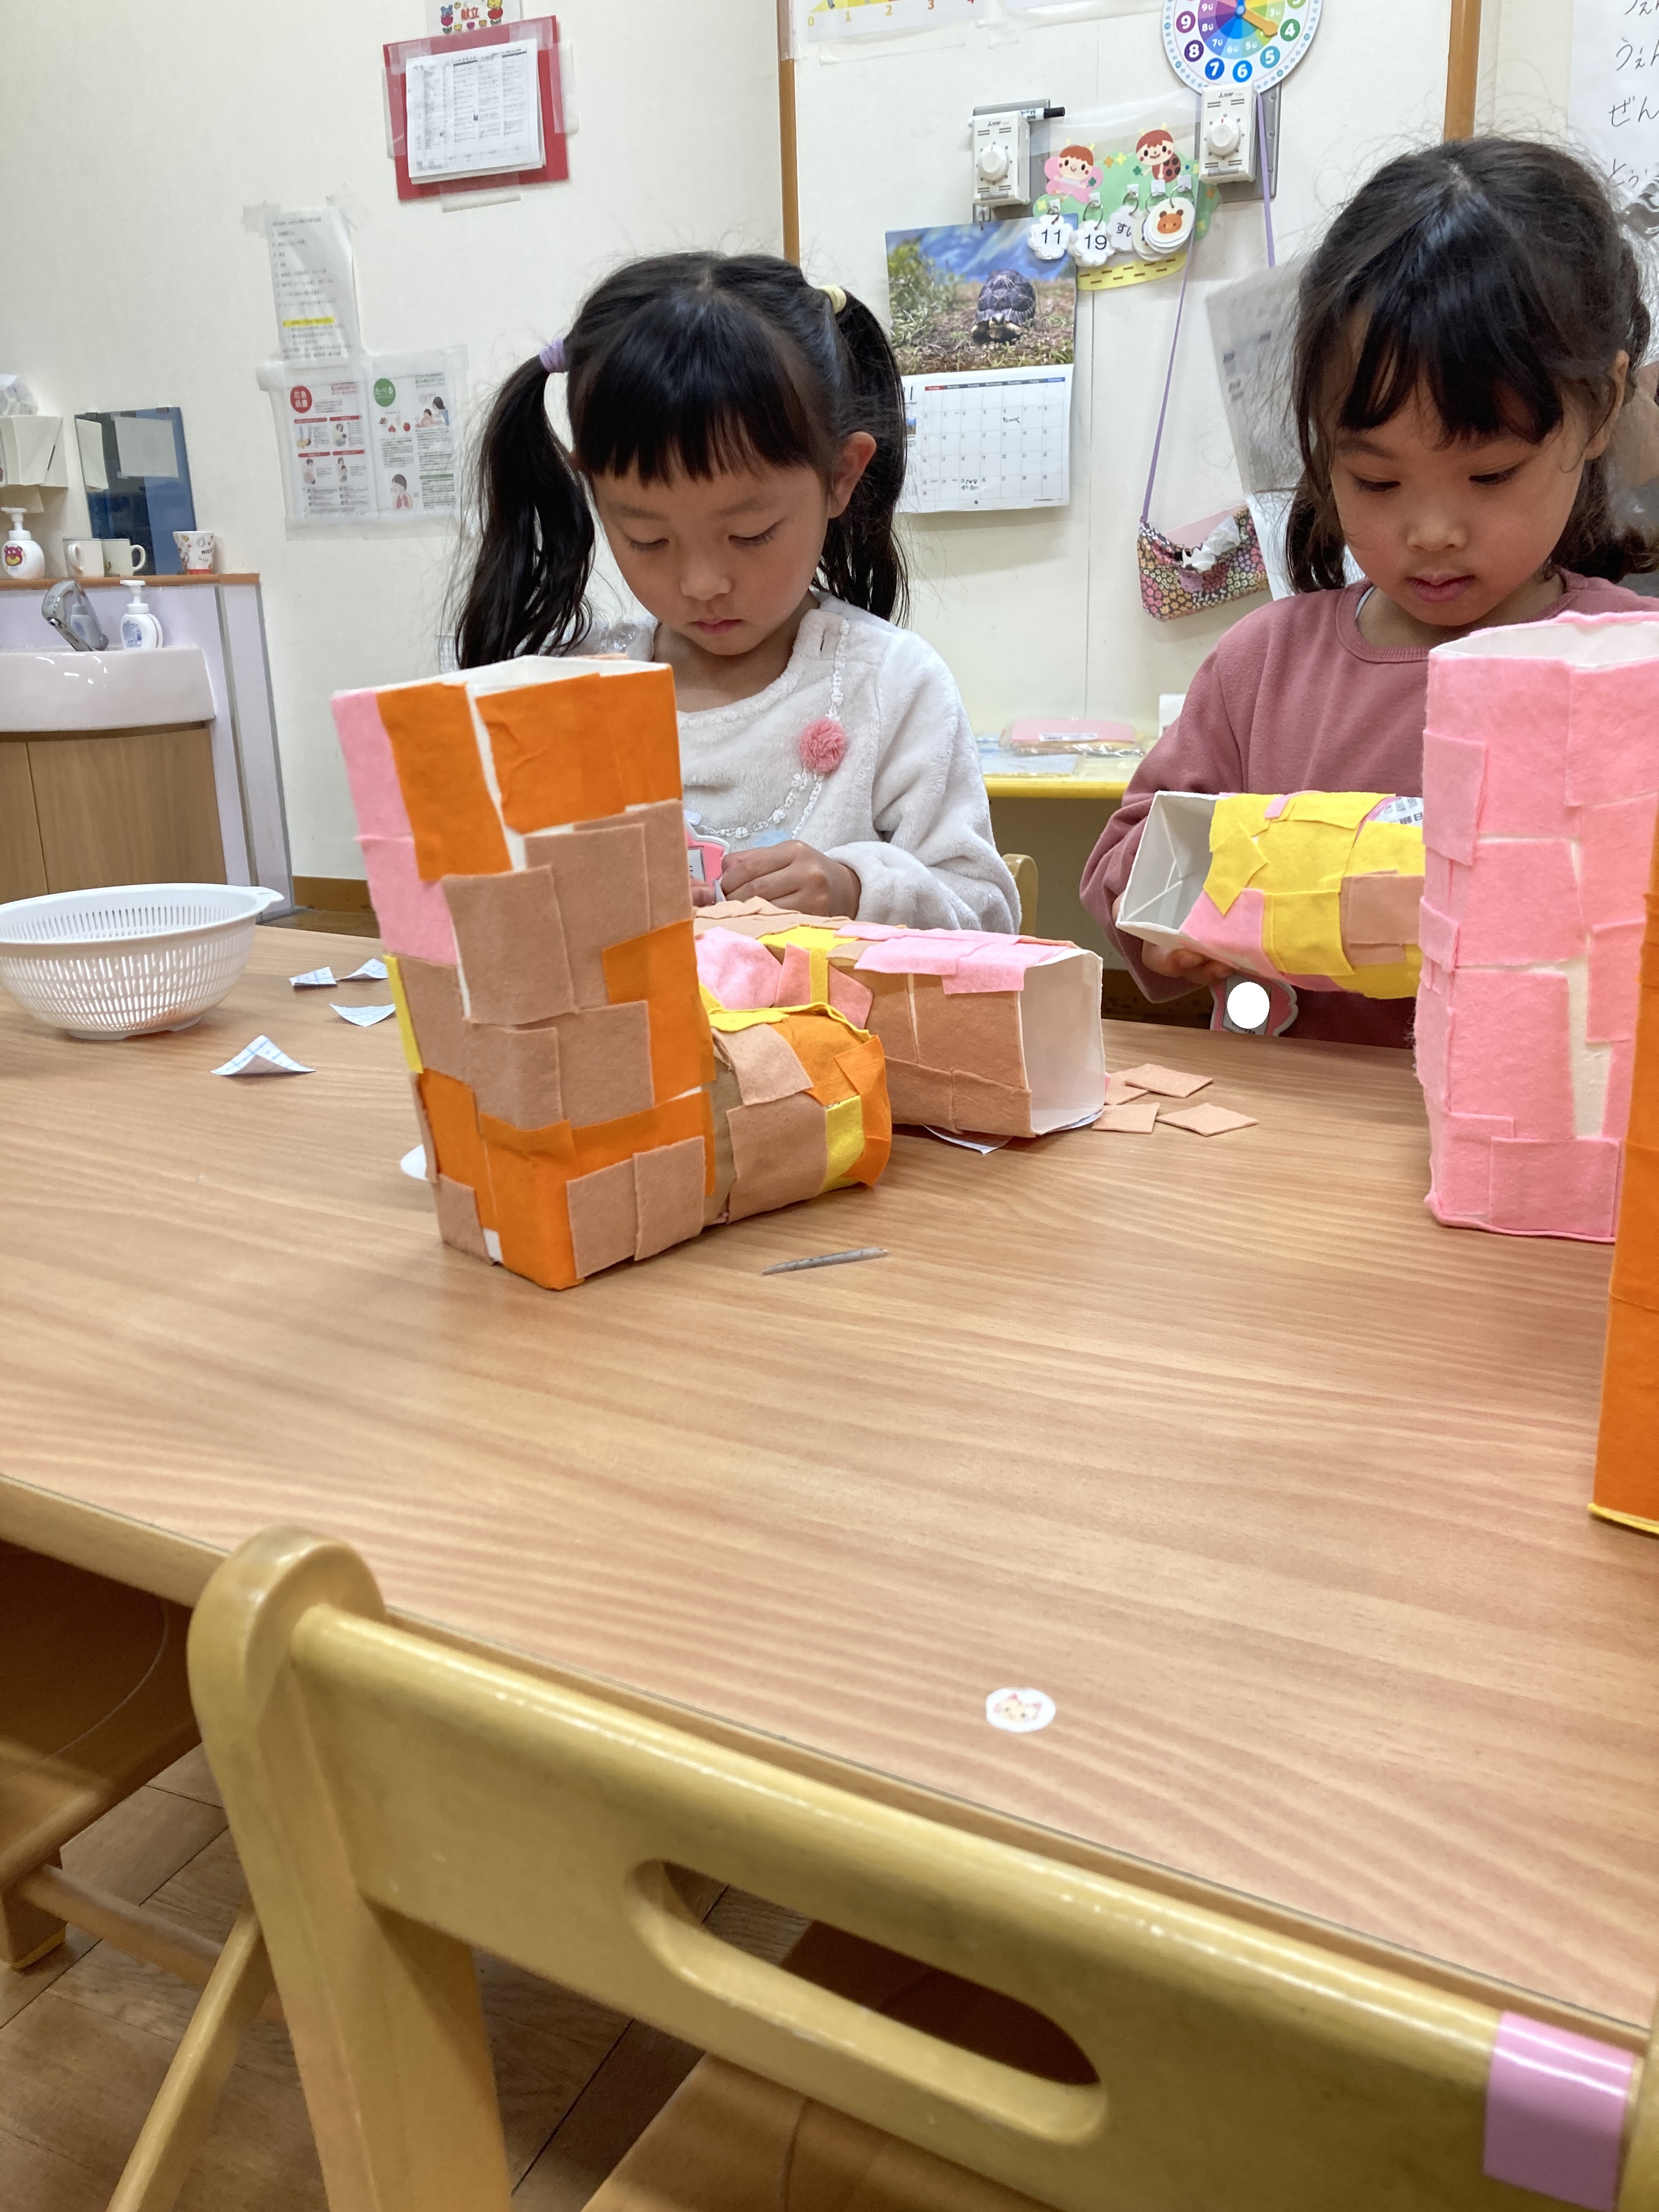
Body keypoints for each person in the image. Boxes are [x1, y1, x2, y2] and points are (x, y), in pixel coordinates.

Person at [1083, 137, 1659, 1046]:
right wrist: (1168, 912)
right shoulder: (1263, 666)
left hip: (1548, 1111)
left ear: (1600, 407)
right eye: (1377, 481)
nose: (1431, 531)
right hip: (1285, 1113)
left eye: (1490, 475)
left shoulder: (1634, 667)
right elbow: (1129, 855)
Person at [453, 252, 1017, 930]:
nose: (702, 584)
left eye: (750, 534)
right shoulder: (578, 690)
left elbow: (987, 914)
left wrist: (856, 891)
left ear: (841, 477)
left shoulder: (893, 686)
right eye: (647, 539)